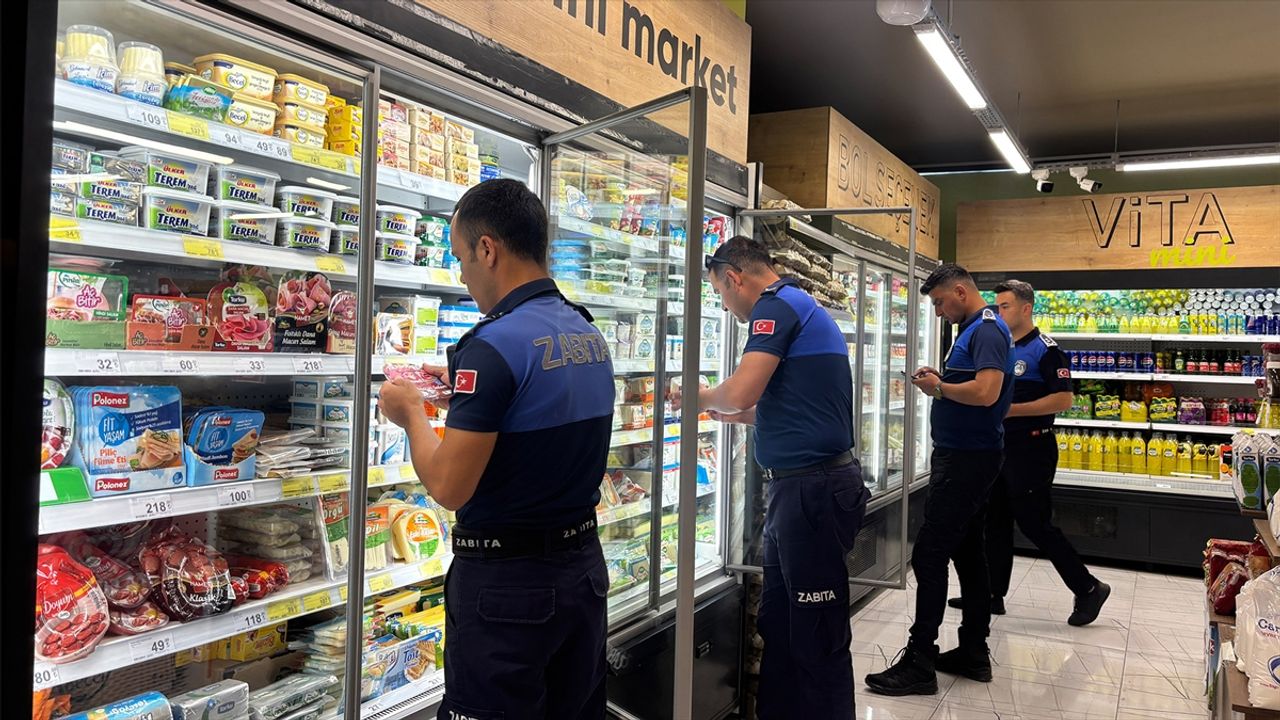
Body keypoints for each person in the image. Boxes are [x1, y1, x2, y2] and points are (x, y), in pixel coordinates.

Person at [378, 179, 614, 720]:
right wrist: (467, 388)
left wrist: (411, 413)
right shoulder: (587, 333)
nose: (462, 273)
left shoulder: (491, 347)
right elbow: (536, 396)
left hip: (510, 591)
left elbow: (449, 487)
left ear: (488, 249)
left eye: (461, 257)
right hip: (581, 573)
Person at [689, 236, 866, 719]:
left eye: (720, 294)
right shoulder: (798, 304)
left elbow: (742, 391)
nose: (725, 308)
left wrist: (698, 396)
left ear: (734, 277)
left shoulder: (776, 307)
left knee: (816, 631)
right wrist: (736, 415)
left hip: (811, 489)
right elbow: (794, 403)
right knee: (782, 622)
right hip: (803, 488)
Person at [865, 263, 1014, 696]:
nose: (938, 312)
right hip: (972, 454)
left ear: (961, 292)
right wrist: (945, 380)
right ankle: (973, 650)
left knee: (929, 555)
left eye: (940, 302)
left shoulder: (986, 329)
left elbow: (986, 392)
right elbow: (981, 389)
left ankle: (919, 662)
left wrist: (939, 388)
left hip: (966, 459)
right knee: (968, 553)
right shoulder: (976, 329)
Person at [945, 280, 1110, 625]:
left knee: (1035, 523)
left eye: (1005, 306)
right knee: (995, 521)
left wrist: (1010, 410)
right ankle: (992, 594)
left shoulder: (1045, 350)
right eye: (996, 306)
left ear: (1026, 308)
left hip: (1032, 448)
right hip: (999, 446)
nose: (998, 312)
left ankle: (1088, 587)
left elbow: (1064, 399)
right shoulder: (999, 346)